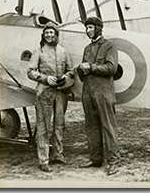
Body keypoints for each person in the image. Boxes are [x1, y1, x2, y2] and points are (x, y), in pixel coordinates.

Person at [77, 17, 121, 175]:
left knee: (108, 126)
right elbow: (84, 71)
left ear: (98, 28)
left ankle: (114, 161)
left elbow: (111, 68)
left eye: (90, 27)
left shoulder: (109, 45)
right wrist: (80, 69)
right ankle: (96, 159)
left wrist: (91, 67)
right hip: (88, 92)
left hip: (103, 92)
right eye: (86, 28)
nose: (88, 31)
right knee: (91, 127)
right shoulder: (87, 48)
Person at [27, 22, 73, 172]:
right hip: (44, 92)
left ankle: (58, 155)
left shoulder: (63, 51)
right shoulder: (38, 52)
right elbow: (30, 71)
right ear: (43, 35)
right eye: (46, 33)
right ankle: (44, 160)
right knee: (43, 126)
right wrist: (45, 78)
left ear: (56, 35)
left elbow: (71, 70)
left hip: (61, 93)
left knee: (59, 124)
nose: (49, 35)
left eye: (51, 33)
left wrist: (66, 76)